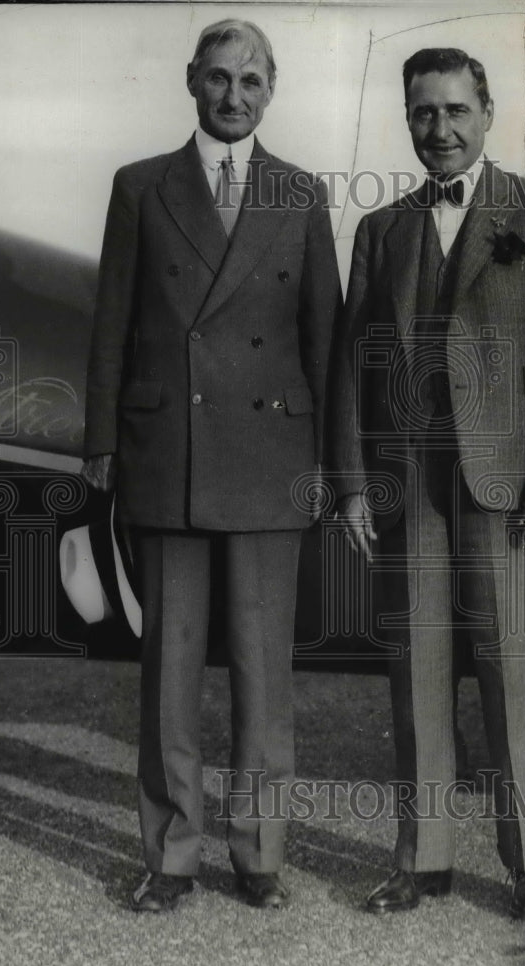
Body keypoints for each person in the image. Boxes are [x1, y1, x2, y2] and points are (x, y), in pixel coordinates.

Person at [325, 47, 525, 919]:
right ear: (406, 120)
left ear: (486, 113)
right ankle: (423, 859)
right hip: (407, 485)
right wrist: (353, 485)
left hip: (505, 483)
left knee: (512, 670)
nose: (438, 131)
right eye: (421, 114)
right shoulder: (382, 230)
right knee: (417, 671)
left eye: (453, 112)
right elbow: (347, 371)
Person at [81, 19, 341, 913]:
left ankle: (259, 856)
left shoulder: (302, 195)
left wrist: (335, 470)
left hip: (272, 461)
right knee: (170, 675)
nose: (235, 97)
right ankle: (171, 858)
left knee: (264, 677)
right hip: (169, 458)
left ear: (273, 90)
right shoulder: (140, 187)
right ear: (191, 81)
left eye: (252, 81)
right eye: (219, 79)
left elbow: (326, 345)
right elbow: (109, 324)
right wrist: (101, 445)